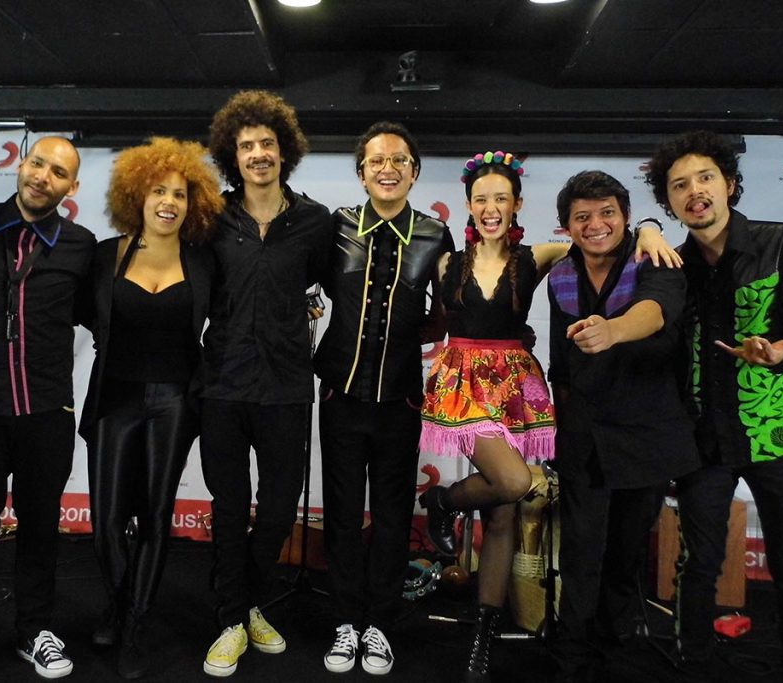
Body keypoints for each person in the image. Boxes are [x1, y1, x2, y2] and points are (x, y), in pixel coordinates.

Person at [418, 152, 677, 682]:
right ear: (468, 205)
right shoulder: (447, 263)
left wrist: (649, 227)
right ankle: (439, 500)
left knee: (505, 512)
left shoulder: (539, 255)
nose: (491, 208)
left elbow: (601, 241)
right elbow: (432, 322)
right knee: (512, 482)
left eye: (501, 198)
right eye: (481, 199)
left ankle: (483, 633)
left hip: (517, 387)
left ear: (517, 204)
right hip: (464, 386)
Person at [645, 131, 783, 680]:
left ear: (730, 184)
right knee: (699, 564)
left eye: (705, 178)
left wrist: (780, 350)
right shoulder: (671, 268)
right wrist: (644, 230)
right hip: (702, 439)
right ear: (669, 203)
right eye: (679, 185)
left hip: (778, 431)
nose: (695, 192)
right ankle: (695, 664)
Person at [0, 136, 95, 683]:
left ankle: (34, 630)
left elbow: (109, 317)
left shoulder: (81, 244)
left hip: (47, 412)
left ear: (71, 188)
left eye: (58, 172)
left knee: (39, 527)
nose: (42, 177)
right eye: (37, 164)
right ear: (20, 166)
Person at [79, 137, 224, 679]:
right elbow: (81, 315)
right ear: (135, 196)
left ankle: (135, 624)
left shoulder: (205, 261)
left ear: (194, 203)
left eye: (180, 194)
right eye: (158, 191)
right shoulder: (104, 256)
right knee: (107, 522)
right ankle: (117, 602)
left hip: (176, 401)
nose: (169, 202)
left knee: (157, 516)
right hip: (114, 396)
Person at [198, 90, 332, 677]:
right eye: (247, 145)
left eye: (267, 144)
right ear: (233, 154)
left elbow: (332, 288)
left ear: (285, 152)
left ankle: (248, 601)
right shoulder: (211, 217)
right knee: (229, 507)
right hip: (222, 384)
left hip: (286, 387)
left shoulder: (315, 221)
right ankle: (234, 617)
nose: (258, 154)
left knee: (277, 508)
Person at [546, 170, 699, 681]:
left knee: (625, 556)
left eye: (607, 212)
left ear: (627, 217)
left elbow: (657, 313)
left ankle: (614, 652)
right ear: (567, 226)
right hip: (584, 439)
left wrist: (613, 330)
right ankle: (571, 657)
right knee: (581, 555)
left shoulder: (654, 258)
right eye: (582, 216)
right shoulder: (561, 274)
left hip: (647, 435)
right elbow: (561, 367)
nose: (596, 225)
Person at [314, 121, 452, 676]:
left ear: (415, 172)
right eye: (376, 161)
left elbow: (450, 306)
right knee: (344, 514)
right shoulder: (337, 227)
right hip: (341, 396)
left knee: (394, 517)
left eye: (399, 160)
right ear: (362, 172)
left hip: (400, 400)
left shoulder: (435, 234)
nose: (388, 168)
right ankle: (346, 622)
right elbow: (304, 283)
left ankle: (379, 626)